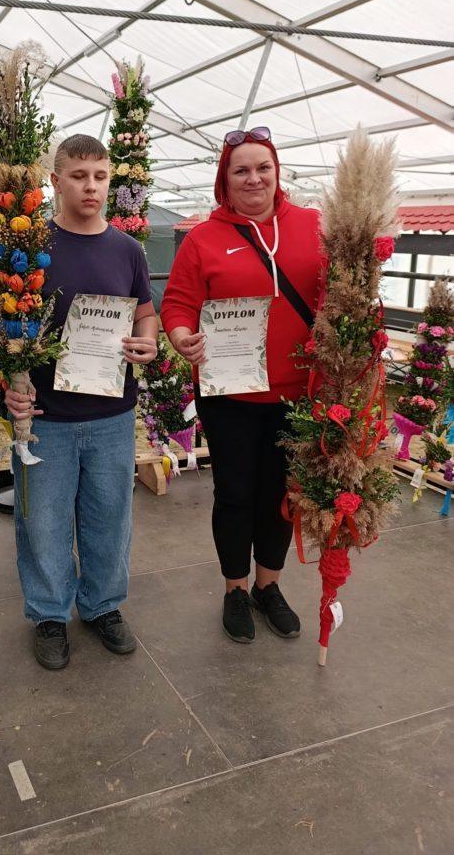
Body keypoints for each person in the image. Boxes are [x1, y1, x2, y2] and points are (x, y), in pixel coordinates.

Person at [161, 127, 325, 644]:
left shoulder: (314, 226)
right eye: (241, 170)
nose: (254, 178)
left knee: (281, 493)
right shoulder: (203, 239)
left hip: (297, 394)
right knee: (234, 492)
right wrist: (182, 337)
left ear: (277, 173)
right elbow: (178, 303)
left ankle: (268, 586)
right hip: (228, 393)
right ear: (225, 180)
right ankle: (235, 588)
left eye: (263, 168)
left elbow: (339, 292)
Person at [5, 134, 158, 670]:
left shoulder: (127, 250)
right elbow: (9, 325)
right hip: (45, 416)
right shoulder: (30, 249)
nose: (90, 187)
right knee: (42, 523)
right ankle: (50, 614)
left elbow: (145, 311)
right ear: (56, 180)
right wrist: (13, 384)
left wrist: (148, 341)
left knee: (110, 517)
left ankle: (102, 606)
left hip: (113, 414)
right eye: (78, 176)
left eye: (100, 177)